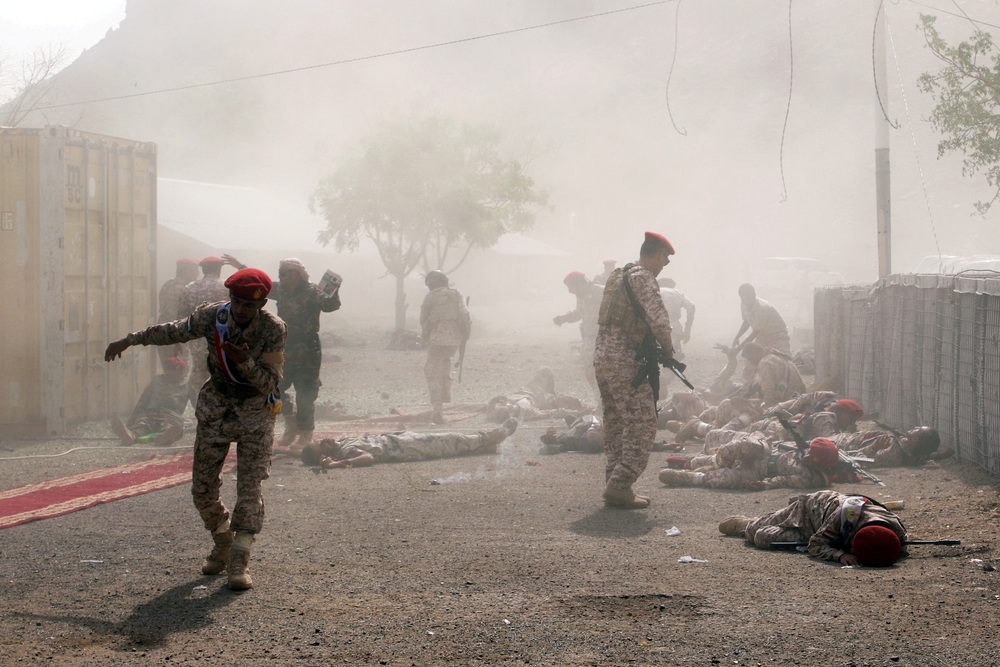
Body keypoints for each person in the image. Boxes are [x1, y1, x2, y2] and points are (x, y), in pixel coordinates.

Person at [105, 268, 286, 591]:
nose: (241, 309)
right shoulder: (214, 316)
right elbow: (174, 331)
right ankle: (222, 539)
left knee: (249, 489)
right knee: (202, 490)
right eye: (237, 301)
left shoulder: (273, 329)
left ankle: (239, 560)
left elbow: (269, 383)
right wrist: (131, 340)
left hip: (255, 413)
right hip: (216, 406)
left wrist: (244, 362)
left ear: (262, 304)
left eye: (249, 305)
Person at [224, 255, 341, 452]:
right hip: (283, 345)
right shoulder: (281, 290)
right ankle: (291, 423)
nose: (281, 277)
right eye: (280, 274)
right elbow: (257, 282)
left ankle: (305, 434)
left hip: (307, 348)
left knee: (305, 392)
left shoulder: (313, 291)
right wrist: (240, 267)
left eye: (284, 274)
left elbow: (330, 306)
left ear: (296, 275)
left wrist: (335, 289)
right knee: (274, 386)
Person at [594, 231, 676, 509]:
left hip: (603, 358)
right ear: (654, 254)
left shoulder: (619, 275)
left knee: (617, 422)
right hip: (625, 361)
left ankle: (614, 483)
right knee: (642, 422)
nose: (665, 265)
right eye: (665, 258)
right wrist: (668, 349)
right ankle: (620, 484)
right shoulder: (643, 277)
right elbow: (659, 321)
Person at [718, 489, 907, 567]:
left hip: (811, 531)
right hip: (810, 510)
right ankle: (746, 525)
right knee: (753, 530)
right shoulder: (845, 517)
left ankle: (752, 527)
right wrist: (839, 555)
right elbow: (816, 544)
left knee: (762, 537)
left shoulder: (896, 530)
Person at [657, 435, 857, 491]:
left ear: (819, 464)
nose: (805, 457)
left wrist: (764, 484)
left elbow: (782, 480)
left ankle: (689, 477)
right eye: (807, 453)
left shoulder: (809, 478)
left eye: (811, 459)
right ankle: (694, 462)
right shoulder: (806, 448)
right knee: (745, 445)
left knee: (730, 478)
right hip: (764, 452)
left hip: (760, 471)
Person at [300, 418, 518, 468]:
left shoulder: (341, 443)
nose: (325, 440)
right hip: (406, 447)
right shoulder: (346, 451)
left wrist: (286, 454)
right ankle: (490, 437)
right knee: (449, 440)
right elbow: (368, 457)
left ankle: (485, 445)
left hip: (401, 439)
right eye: (322, 445)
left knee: (448, 442)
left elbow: (305, 454)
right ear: (324, 454)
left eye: (320, 440)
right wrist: (337, 465)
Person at [178, 256, 231, 406]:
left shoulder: (190, 288)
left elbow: (181, 318)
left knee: (199, 380)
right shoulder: (227, 287)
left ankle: (201, 413)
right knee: (222, 378)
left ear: (203, 269)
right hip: (222, 343)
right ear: (219, 269)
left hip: (198, 344)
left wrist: (180, 342)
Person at [420, 270, 471, 424]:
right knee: (446, 362)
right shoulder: (457, 294)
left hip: (437, 340)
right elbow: (465, 315)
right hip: (454, 340)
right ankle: (446, 394)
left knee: (432, 371)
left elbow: (423, 319)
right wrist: (465, 335)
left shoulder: (430, 296)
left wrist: (426, 336)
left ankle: (437, 409)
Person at [111, 356, 190, 446]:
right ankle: (131, 436)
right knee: (142, 425)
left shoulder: (187, 384)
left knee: (171, 427)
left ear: (181, 371)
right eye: (168, 369)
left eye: (174, 370)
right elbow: (142, 402)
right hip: (150, 414)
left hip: (171, 415)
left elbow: (197, 404)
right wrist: (130, 424)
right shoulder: (157, 381)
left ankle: (165, 438)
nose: (170, 372)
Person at [553, 271, 604, 399]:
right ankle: (598, 396)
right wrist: (564, 318)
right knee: (588, 367)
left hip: (608, 339)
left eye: (571, 288)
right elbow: (580, 312)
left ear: (581, 284)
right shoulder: (581, 295)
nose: (570, 292)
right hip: (590, 338)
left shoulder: (602, 293)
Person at [485, 367, 586, 423]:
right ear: (512, 413)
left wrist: (493, 402)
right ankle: (554, 395)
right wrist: (577, 413)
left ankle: (552, 392)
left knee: (546, 371)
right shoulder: (528, 413)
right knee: (570, 401)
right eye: (507, 406)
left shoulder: (502, 407)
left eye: (503, 405)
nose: (505, 403)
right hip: (543, 400)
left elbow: (490, 413)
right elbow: (553, 413)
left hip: (528, 389)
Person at [157, 258, 200, 364]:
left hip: (162, 334)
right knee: (181, 373)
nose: (197, 274)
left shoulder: (167, 285)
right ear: (187, 271)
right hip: (177, 338)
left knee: (169, 371)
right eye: (195, 271)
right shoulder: (184, 290)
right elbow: (179, 317)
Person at [839, 426, 942, 468]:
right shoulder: (914, 453)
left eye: (918, 429)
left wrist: (873, 448)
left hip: (844, 443)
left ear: (915, 439)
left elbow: (863, 460)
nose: (915, 427)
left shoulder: (892, 452)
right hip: (850, 438)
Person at [740, 341, 806, 407]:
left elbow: (769, 391)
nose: (751, 362)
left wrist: (766, 409)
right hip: (801, 396)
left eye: (751, 359)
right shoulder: (775, 354)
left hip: (791, 402)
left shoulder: (764, 363)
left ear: (756, 352)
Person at [732, 283, 791, 355]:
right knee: (754, 361)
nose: (747, 301)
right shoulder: (743, 304)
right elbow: (746, 322)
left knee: (784, 360)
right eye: (744, 299)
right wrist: (737, 337)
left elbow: (755, 333)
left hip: (778, 337)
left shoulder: (762, 308)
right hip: (762, 338)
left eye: (748, 298)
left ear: (754, 295)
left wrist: (738, 349)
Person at [657, 278, 695, 359]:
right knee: (674, 356)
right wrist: (687, 329)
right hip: (674, 326)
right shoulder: (678, 293)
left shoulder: (653, 291)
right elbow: (691, 306)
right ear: (672, 286)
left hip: (654, 326)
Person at [539, 414, 604, 455]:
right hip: (585, 420)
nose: (597, 428)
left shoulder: (573, 437)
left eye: (593, 429)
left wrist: (549, 439)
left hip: (580, 423)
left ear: (584, 435)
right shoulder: (607, 434)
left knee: (568, 417)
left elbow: (547, 449)